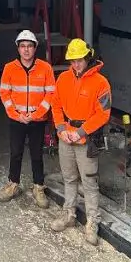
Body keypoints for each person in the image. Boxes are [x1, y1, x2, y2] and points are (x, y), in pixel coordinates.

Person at [50, 38, 111, 245]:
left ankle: (93, 221)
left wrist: (82, 132)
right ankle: (69, 214)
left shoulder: (101, 83)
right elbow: (56, 105)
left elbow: (103, 114)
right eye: (72, 60)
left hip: (86, 138)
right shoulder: (63, 79)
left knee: (89, 182)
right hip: (66, 135)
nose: (76, 64)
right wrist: (61, 129)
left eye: (79, 60)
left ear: (87, 58)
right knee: (69, 178)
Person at [0, 30, 55, 207]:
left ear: (35, 47)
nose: (26, 50)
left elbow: (51, 93)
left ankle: (38, 186)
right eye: (23, 46)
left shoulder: (45, 68)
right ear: (18, 48)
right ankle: (13, 183)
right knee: (16, 152)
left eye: (29, 46)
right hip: (17, 120)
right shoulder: (9, 68)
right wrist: (16, 114)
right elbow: (4, 93)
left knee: (37, 154)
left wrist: (36, 115)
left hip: (37, 121)